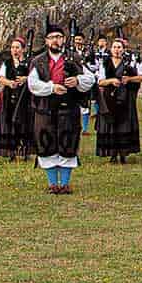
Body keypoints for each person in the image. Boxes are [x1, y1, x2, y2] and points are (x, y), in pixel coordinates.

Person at [28, 19, 94, 194]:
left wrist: (77, 80)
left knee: (67, 144)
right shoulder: (38, 61)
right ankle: (52, 184)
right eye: (52, 37)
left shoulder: (74, 59)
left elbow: (90, 79)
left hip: (68, 109)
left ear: (64, 39)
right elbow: (32, 84)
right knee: (46, 144)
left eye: (58, 37)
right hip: (45, 110)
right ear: (47, 41)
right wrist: (51, 88)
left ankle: (64, 184)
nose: (55, 40)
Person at [95, 38, 142, 164]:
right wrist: (111, 81)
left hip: (125, 99)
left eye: (119, 47)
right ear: (111, 49)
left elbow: (140, 78)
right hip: (109, 99)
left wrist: (129, 79)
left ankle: (123, 153)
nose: (117, 50)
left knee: (124, 125)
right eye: (115, 47)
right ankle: (112, 154)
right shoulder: (105, 63)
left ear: (123, 50)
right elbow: (100, 81)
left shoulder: (130, 63)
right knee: (111, 125)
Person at [0, 36, 33, 161]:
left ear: (23, 49)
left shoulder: (29, 63)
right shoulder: (7, 63)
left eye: (17, 47)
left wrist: (25, 79)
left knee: (25, 123)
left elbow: (37, 78)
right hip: (9, 97)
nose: (14, 50)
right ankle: (11, 152)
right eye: (12, 47)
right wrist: (9, 83)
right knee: (9, 122)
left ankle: (25, 151)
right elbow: (0, 78)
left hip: (25, 98)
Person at [80, 33, 106, 136]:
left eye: (103, 41)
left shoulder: (104, 53)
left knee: (97, 99)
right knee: (84, 103)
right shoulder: (88, 52)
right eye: (100, 41)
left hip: (96, 78)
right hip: (83, 79)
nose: (101, 43)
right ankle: (85, 128)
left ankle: (97, 118)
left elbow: (96, 66)